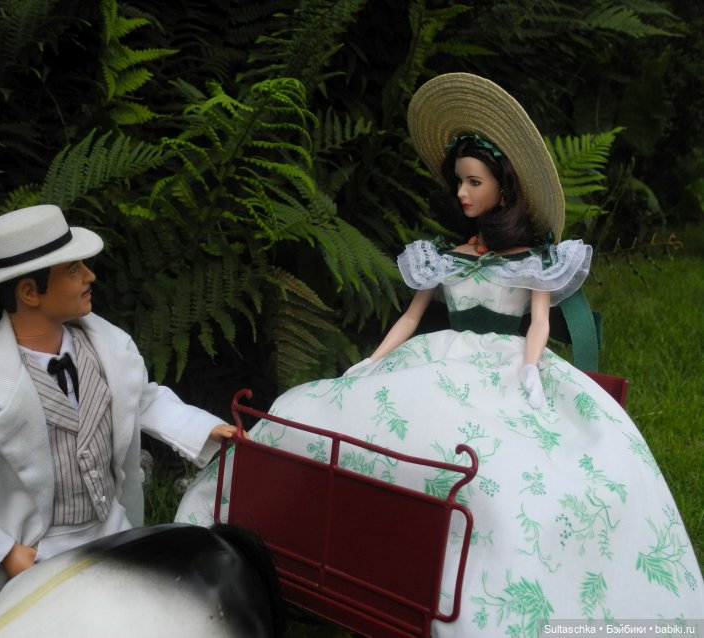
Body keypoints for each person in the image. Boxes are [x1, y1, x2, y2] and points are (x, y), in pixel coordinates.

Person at [175, 74, 704, 634]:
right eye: (459, 182)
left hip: (507, 364)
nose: (463, 193)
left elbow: (540, 322)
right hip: (437, 358)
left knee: (507, 463)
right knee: (343, 411)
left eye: (475, 182)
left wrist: (530, 369)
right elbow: (411, 317)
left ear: (504, 189)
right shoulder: (443, 255)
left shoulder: (534, 259)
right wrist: (373, 361)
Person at [0, 204, 238, 637]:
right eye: (73, 270)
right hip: (37, 558)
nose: (90, 276)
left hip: (111, 534)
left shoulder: (109, 348)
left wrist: (201, 428)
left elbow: (140, 398)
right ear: (29, 292)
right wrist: (2, 552)